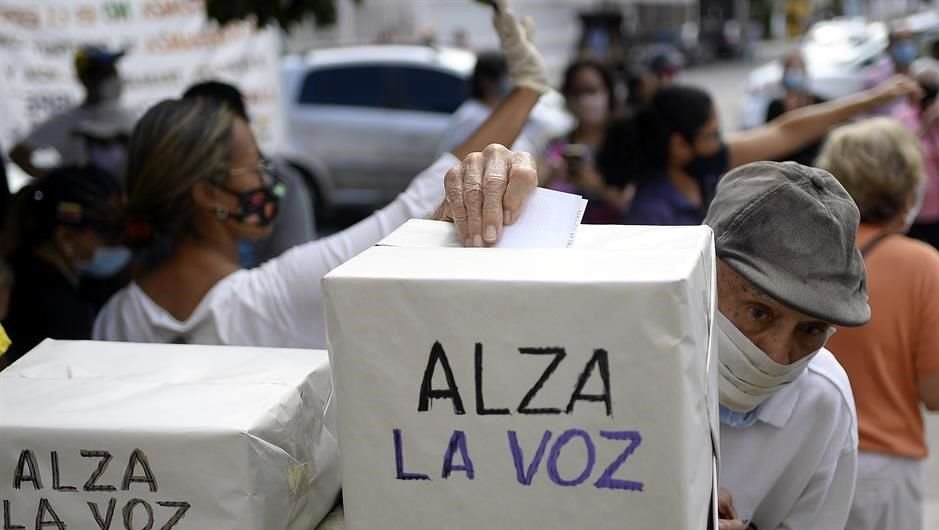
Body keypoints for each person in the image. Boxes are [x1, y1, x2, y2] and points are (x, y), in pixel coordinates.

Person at [93, 1, 546, 348]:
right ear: (207, 194)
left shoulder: (116, 319)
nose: (269, 181)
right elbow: (413, 206)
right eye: (255, 166)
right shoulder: (276, 298)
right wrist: (526, 88)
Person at [749, 119, 939, 530]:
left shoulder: (797, 256)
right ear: (908, 188)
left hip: (793, 458)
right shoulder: (922, 266)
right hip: (883, 470)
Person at [698, 162, 866, 530]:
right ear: (706, 272)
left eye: (810, 329)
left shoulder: (825, 404)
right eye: (759, 312)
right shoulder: (625, 345)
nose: (776, 353)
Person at [599, 76, 915, 227]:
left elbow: (785, 131)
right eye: (712, 134)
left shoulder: (703, 170)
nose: (720, 142)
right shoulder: (650, 214)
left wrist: (871, 100)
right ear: (680, 145)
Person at [182, 80, 317, 267]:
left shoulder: (286, 182)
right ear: (206, 193)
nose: (265, 183)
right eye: (252, 168)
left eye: (260, 164)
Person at [4, 165, 130, 362]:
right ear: (66, 237)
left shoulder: (31, 274)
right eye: (110, 232)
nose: (121, 242)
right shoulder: (52, 306)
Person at [10, 46, 133, 178]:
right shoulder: (67, 121)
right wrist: (55, 181)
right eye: (104, 73)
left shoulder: (128, 118)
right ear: (86, 79)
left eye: (113, 72)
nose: (112, 78)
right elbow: (19, 154)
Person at [540, 59, 630, 224]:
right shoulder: (558, 145)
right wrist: (551, 177)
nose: (585, 100)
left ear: (610, 93)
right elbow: (539, 201)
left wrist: (598, 186)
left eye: (592, 91)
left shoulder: (627, 142)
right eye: (577, 92)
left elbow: (635, 204)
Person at [893, 58, 939, 266]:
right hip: (911, 204)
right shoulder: (902, 115)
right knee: (911, 260)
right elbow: (898, 152)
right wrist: (924, 127)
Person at [437, 51, 541, 155]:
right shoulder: (473, 117)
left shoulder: (492, 113)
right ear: (486, 82)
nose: (511, 84)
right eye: (506, 78)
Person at [764, 51, 824, 166]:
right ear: (784, 73)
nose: (795, 73)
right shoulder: (775, 106)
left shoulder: (819, 103)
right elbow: (767, 140)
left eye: (798, 68)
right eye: (792, 68)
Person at [863, 23, 915, 115]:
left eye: (908, 40)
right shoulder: (875, 77)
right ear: (889, 46)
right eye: (900, 42)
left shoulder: (918, 73)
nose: (905, 46)